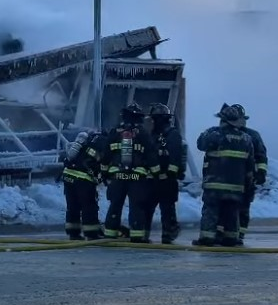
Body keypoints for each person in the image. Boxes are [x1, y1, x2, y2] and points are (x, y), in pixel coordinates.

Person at [193, 103, 256, 247]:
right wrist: (248, 186)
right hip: (236, 186)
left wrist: (208, 131)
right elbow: (250, 166)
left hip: (214, 184)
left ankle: (207, 238)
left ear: (222, 119)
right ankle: (231, 238)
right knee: (232, 213)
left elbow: (200, 144)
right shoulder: (246, 139)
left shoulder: (215, 134)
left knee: (211, 211)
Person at [100, 103, 158, 242]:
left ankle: (110, 233)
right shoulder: (143, 133)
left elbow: (106, 154)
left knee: (115, 205)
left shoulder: (115, 132)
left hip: (117, 176)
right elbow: (151, 154)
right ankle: (137, 236)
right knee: (136, 206)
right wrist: (155, 173)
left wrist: (104, 173)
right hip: (137, 177)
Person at [144, 103, 186, 244]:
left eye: (154, 119)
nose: (153, 122)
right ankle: (144, 234)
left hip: (166, 180)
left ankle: (168, 233)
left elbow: (175, 157)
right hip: (153, 180)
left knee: (167, 208)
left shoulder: (172, 135)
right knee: (149, 208)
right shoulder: (152, 135)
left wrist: (169, 174)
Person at [231, 104, 268, 240]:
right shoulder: (221, 134)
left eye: (242, 119)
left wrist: (261, 172)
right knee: (226, 206)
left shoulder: (252, 135)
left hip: (246, 178)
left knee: (243, 207)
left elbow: (261, 156)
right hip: (227, 178)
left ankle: (239, 234)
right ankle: (225, 234)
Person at [59, 129, 105, 240]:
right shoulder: (101, 145)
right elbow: (102, 163)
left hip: (68, 177)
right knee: (89, 206)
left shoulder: (83, 144)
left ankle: (73, 233)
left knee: (73, 206)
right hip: (83, 179)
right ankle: (91, 233)